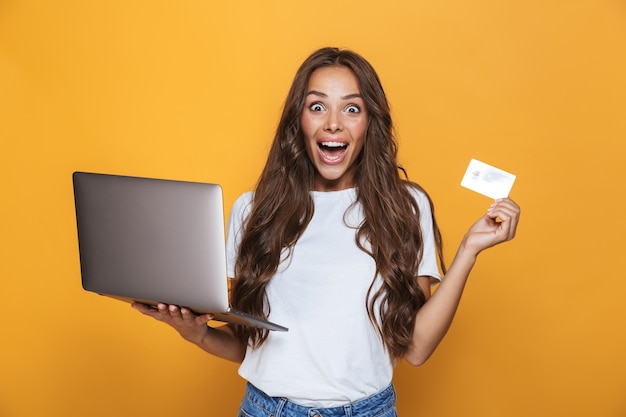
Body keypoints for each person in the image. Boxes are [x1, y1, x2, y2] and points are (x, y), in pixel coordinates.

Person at [132, 47, 520, 416]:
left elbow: (416, 348)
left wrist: (469, 250)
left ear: (370, 124)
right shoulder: (252, 211)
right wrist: (194, 333)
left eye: (352, 108)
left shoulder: (404, 206)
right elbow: (248, 346)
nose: (333, 122)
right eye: (317, 106)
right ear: (297, 122)